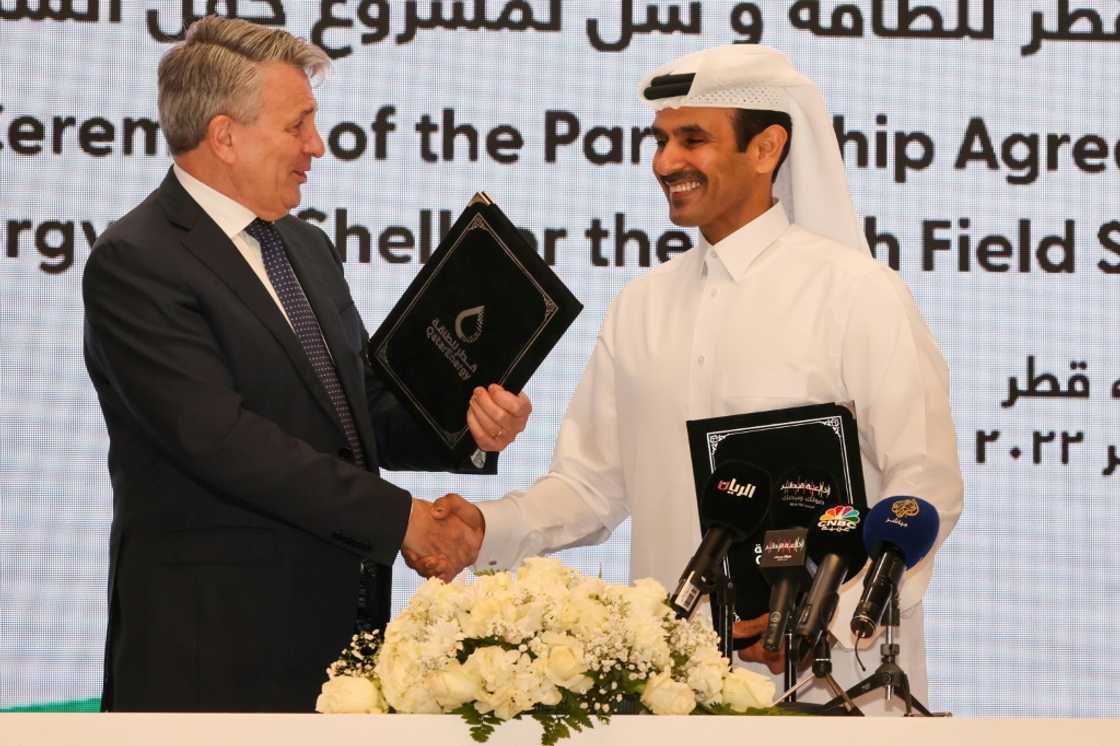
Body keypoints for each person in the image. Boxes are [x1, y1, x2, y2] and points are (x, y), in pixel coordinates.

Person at [427, 44, 964, 714]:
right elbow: (591, 486)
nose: (665, 163)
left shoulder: (859, 295)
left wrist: (825, 617)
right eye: (660, 140)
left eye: (692, 139)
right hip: (673, 696)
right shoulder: (641, 306)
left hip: (837, 691)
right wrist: (484, 528)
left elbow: (924, 483)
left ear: (767, 148)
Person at [82, 16, 530, 712]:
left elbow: (358, 412)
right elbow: (224, 443)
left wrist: (468, 422)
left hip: (337, 650)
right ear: (225, 135)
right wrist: (403, 520)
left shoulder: (307, 248)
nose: (315, 147)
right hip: (210, 662)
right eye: (298, 126)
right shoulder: (137, 261)